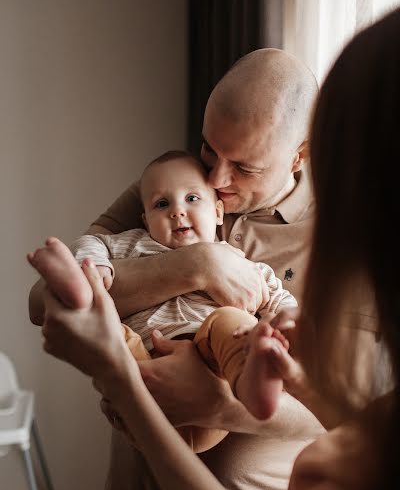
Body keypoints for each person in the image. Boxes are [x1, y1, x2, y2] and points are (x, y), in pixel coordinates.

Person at [31, 7, 400, 490]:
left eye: (244, 168)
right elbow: (46, 301)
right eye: (209, 149)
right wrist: (198, 265)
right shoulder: (174, 185)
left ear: (300, 154)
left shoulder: (347, 226)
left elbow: (360, 405)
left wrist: (221, 406)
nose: (216, 181)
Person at [43, 149, 297, 452]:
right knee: (109, 334)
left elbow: (280, 301)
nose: (176, 211)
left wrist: (277, 323)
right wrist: (93, 263)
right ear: (145, 219)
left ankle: (249, 378)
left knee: (232, 322)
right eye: (162, 204)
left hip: (213, 368)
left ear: (217, 212)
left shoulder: (238, 263)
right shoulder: (135, 244)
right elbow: (92, 241)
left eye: (192, 199)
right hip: (145, 366)